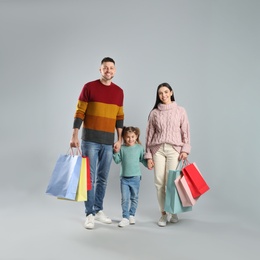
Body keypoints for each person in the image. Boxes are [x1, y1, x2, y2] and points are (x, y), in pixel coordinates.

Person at [70, 57, 124, 229]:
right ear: (100, 70)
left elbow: (119, 117)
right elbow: (80, 112)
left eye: (111, 68)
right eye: (105, 68)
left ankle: (99, 209)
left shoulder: (119, 92)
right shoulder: (89, 87)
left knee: (102, 178)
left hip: (108, 142)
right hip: (90, 141)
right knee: (89, 178)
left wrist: (119, 139)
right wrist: (74, 135)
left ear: (115, 71)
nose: (108, 70)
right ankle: (89, 213)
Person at [145, 82, 191, 227]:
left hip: (174, 150)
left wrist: (185, 149)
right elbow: (148, 135)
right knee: (159, 183)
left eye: (166, 92)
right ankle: (163, 214)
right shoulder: (154, 113)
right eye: (160, 93)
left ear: (171, 92)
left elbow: (186, 132)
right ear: (158, 96)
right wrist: (148, 156)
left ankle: (173, 211)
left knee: (172, 182)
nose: (163, 95)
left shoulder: (180, 110)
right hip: (157, 150)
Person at [113, 126, 147, 227]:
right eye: (128, 137)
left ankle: (132, 214)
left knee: (134, 197)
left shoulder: (140, 148)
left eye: (132, 136)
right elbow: (117, 160)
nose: (130, 139)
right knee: (125, 198)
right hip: (124, 178)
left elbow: (143, 160)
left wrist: (149, 163)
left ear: (136, 136)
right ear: (123, 137)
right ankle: (125, 217)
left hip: (136, 177)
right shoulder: (122, 148)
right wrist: (115, 152)